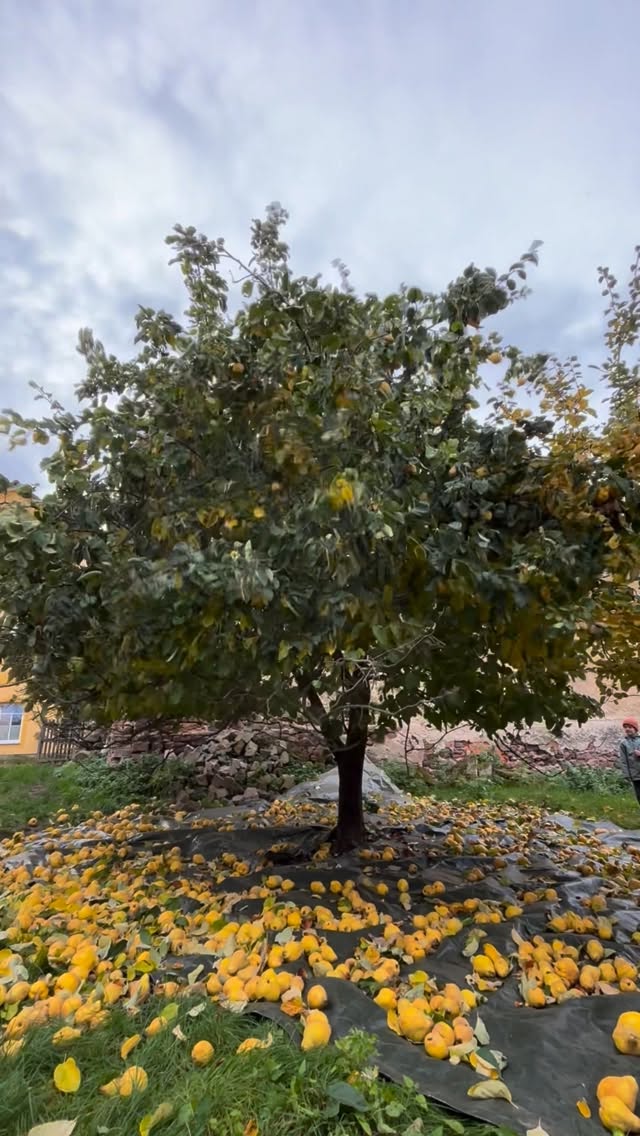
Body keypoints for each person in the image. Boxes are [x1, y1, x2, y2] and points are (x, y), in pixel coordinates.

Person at [619, 718, 640, 803]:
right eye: (625, 727)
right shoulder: (624, 744)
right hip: (635, 775)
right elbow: (623, 761)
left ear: (635, 729)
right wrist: (627, 775)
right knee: (639, 795)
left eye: (630, 727)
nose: (627, 729)